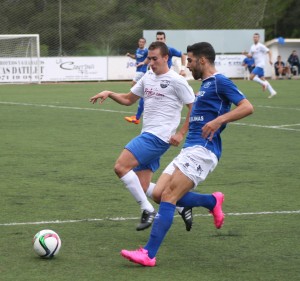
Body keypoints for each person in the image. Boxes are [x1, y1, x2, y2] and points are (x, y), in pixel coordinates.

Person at [120, 42, 254, 267]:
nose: (187, 64)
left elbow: (247, 106)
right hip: (189, 148)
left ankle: (149, 254)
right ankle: (211, 201)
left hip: (204, 150)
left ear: (202, 60)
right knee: (160, 193)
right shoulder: (204, 85)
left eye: (190, 60)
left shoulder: (220, 81)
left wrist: (219, 120)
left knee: (170, 195)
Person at [90, 41, 195, 232]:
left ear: (166, 58)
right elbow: (129, 99)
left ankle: (147, 209)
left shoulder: (177, 81)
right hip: (148, 133)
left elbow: (193, 106)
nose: (151, 62)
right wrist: (110, 93)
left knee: (121, 167)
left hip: (159, 137)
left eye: (155, 59)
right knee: (145, 186)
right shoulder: (148, 77)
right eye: (149, 58)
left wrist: (181, 133)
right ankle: (181, 204)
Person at [125, 31, 187, 124]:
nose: (159, 40)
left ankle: (142, 118)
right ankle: (137, 117)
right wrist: (143, 62)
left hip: (165, 78)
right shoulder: (154, 50)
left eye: (161, 39)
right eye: (158, 39)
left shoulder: (169, 49)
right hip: (155, 76)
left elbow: (183, 55)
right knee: (145, 95)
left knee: (165, 98)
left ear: (165, 39)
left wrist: (182, 69)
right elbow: (148, 58)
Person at [242, 33, 277, 98]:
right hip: (257, 65)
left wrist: (270, 60)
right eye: (254, 37)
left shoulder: (261, 46)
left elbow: (269, 51)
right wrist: (245, 54)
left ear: (258, 38)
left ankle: (264, 84)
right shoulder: (252, 46)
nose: (255, 38)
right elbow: (250, 56)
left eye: (256, 37)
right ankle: (272, 91)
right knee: (262, 78)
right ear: (253, 38)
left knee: (251, 77)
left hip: (261, 64)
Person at [124, 38, 148, 125]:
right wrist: (130, 55)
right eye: (140, 42)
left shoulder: (146, 51)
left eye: (142, 42)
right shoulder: (138, 50)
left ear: (145, 43)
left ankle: (137, 96)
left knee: (133, 83)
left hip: (143, 70)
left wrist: (144, 63)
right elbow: (136, 57)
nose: (141, 43)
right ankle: (142, 96)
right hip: (138, 70)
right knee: (139, 87)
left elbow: (148, 58)